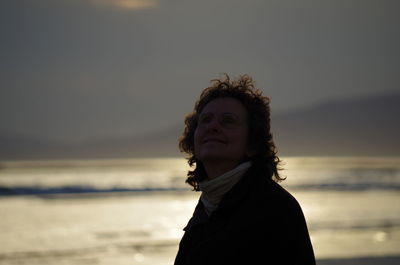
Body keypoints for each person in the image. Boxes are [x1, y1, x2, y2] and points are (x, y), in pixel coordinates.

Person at [174, 74, 315, 265]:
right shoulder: (208, 206)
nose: (213, 126)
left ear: (253, 143)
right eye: (205, 120)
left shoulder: (275, 209)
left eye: (228, 121)